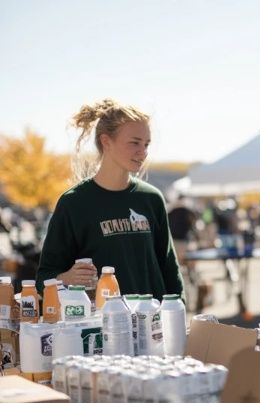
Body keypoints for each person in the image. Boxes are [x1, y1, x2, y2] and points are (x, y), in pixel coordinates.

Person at [36, 99, 183, 301]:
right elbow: (44, 278)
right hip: (102, 327)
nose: (143, 152)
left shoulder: (152, 198)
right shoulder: (74, 203)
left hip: (153, 325)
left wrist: (177, 311)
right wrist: (67, 278)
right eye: (134, 142)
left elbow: (169, 269)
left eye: (146, 144)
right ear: (106, 141)